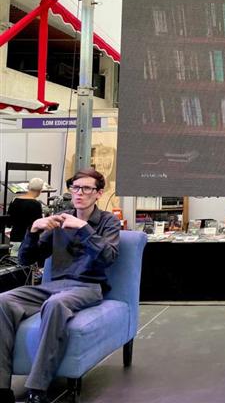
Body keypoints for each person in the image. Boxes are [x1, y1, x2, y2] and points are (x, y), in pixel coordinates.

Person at [0, 168, 119, 403]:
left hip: (88, 286)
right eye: (75, 188)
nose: (79, 193)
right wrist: (33, 231)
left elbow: (108, 257)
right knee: (3, 300)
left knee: (55, 304)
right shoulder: (60, 219)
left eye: (86, 188)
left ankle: (38, 388)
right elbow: (26, 259)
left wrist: (83, 228)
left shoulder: (108, 222)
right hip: (55, 285)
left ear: (98, 193)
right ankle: (2, 387)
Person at [6, 178, 44, 257]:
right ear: (40, 190)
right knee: (27, 267)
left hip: (15, 238)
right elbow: (38, 226)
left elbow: (9, 222)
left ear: (28, 187)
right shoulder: (36, 204)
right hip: (28, 240)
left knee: (14, 266)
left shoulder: (14, 200)